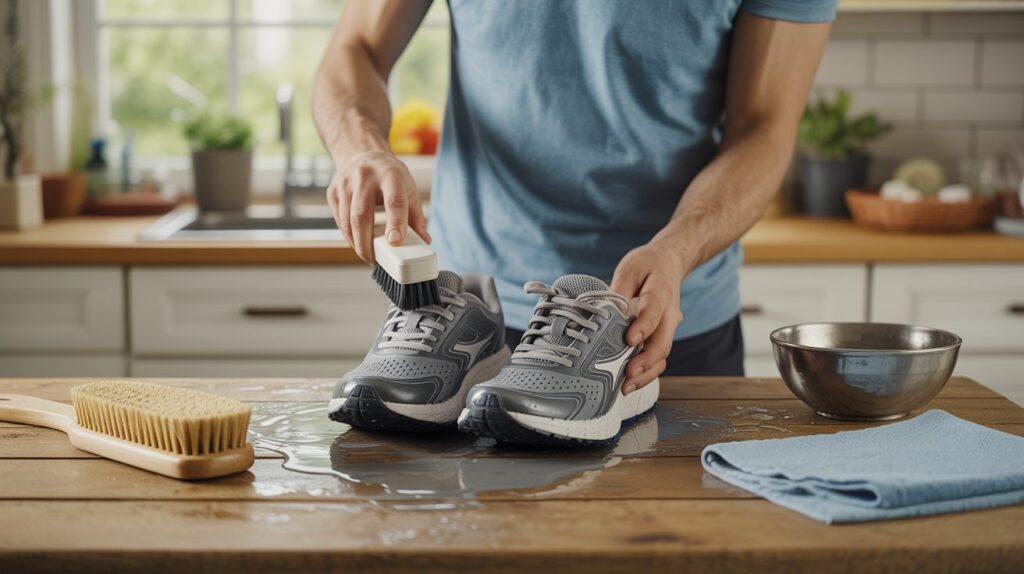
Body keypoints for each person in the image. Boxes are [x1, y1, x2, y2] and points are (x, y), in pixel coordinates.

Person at [314, 0, 836, 397]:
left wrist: (677, 249)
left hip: (658, 321)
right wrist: (360, 146)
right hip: (469, 328)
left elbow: (763, 128)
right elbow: (356, 46)